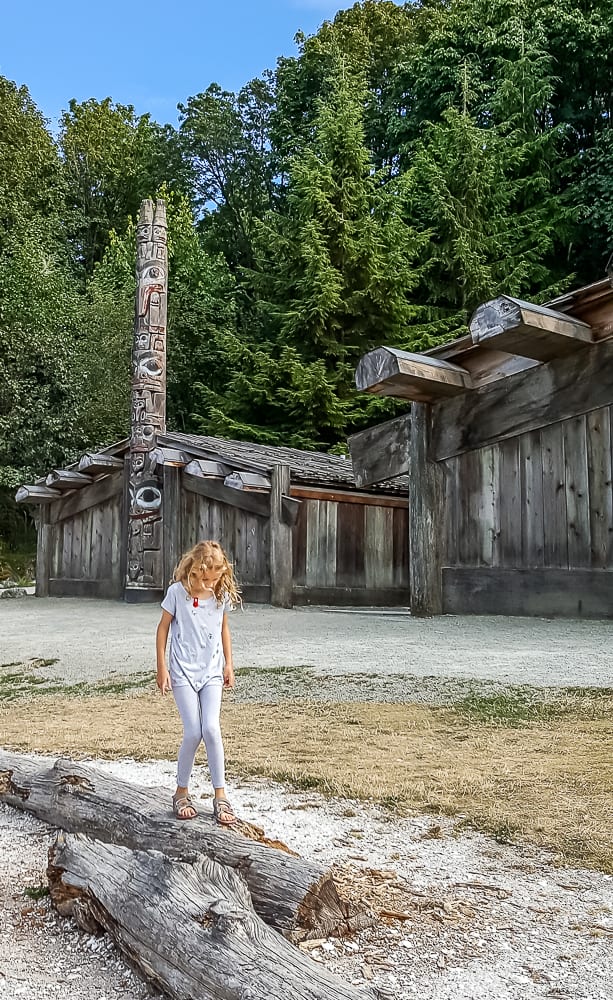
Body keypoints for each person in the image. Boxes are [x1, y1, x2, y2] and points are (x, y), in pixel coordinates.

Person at [156, 540, 240, 824]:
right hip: (182, 672)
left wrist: (229, 663)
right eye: (206, 578)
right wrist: (162, 668)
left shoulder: (220, 594)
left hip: (211, 672)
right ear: (194, 570)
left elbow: (223, 627)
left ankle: (221, 795)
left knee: (212, 728)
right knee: (193, 732)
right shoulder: (177, 594)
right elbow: (163, 627)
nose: (210, 583)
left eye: (216, 578)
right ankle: (181, 791)